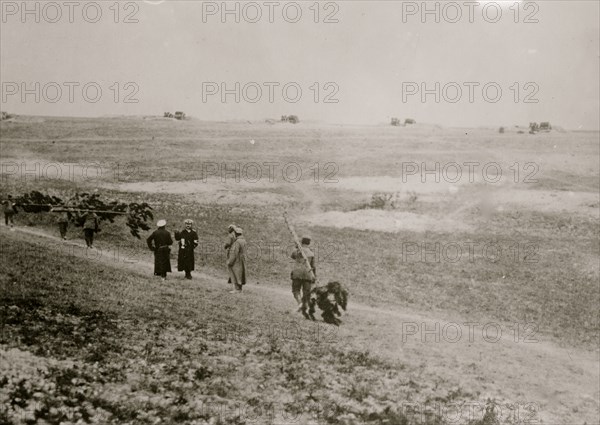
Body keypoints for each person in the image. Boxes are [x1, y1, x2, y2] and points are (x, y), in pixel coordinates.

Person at [291, 236, 316, 318]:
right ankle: (305, 308)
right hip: (308, 274)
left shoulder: (297, 251)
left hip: (297, 273)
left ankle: (300, 303)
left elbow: (292, 256)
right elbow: (313, 266)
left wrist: (297, 247)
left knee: (296, 290)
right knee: (306, 293)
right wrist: (314, 276)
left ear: (302, 242)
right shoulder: (311, 253)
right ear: (309, 243)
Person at [227, 226, 247, 293]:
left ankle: (236, 289)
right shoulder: (244, 241)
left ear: (236, 234)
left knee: (235, 273)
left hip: (237, 260)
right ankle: (240, 288)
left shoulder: (237, 242)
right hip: (242, 260)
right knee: (240, 274)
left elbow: (234, 253)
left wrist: (230, 261)